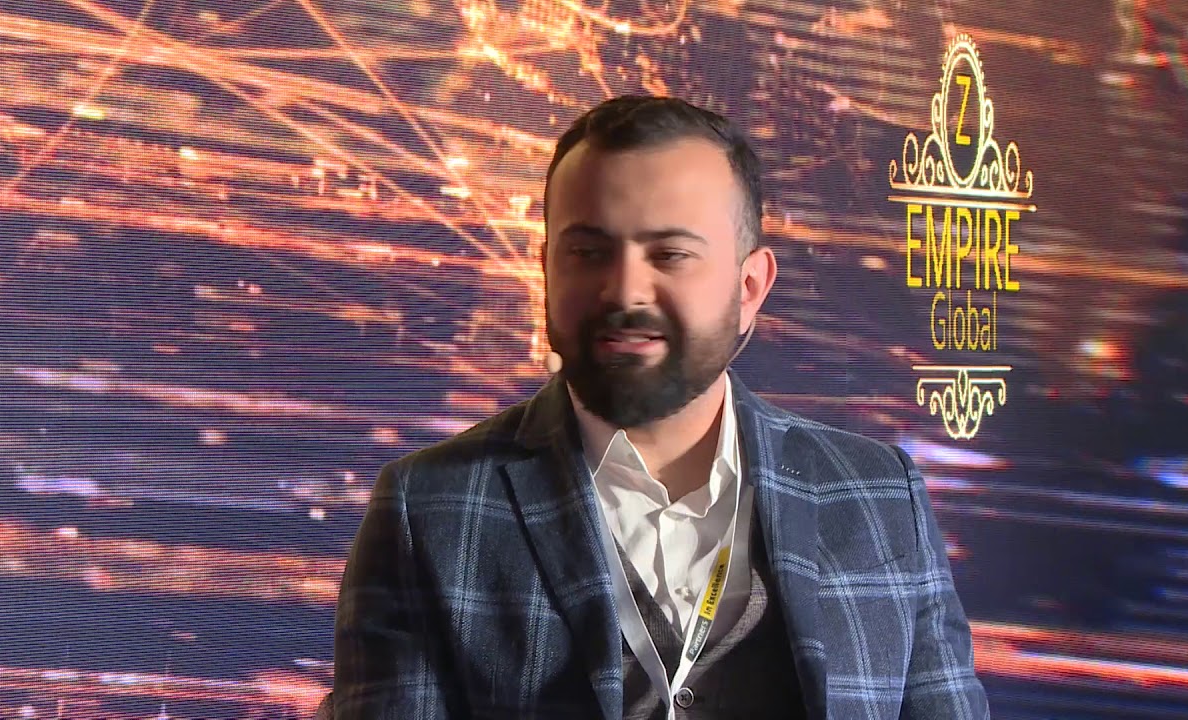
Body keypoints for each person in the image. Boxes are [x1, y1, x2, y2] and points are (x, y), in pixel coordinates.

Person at [331, 95, 989, 719]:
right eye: (588, 253)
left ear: (749, 285)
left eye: (670, 254)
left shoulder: (879, 495)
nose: (625, 291)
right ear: (546, 270)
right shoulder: (429, 508)